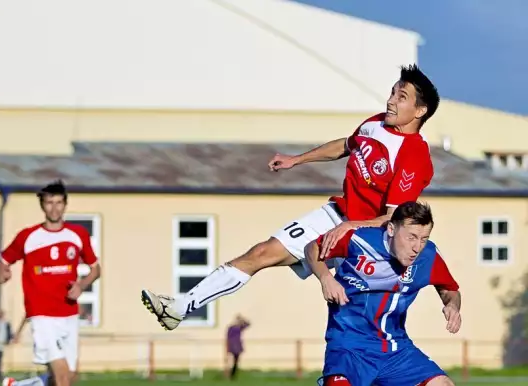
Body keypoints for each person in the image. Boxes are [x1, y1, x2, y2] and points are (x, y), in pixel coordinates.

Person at [141, 64, 441, 331]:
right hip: (337, 213)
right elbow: (345, 145)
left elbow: (392, 218)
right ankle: (179, 307)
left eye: (401, 97)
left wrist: (350, 228)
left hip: (367, 235)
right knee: (261, 252)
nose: (390, 100)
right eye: (392, 93)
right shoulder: (375, 124)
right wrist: (296, 159)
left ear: (419, 110)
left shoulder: (414, 156)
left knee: (355, 316)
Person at [306, 201, 461, 386]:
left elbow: (450, 290)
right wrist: (325, 278)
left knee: (443, 384)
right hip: (349, 347)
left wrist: (452, 305)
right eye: (411, 237)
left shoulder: (429, 255)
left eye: (424, 238)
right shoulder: (359, 240)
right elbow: (312, 247)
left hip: (395, 349)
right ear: (391, 229)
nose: (417, 247)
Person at [0, 180, 101, 386]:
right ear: (42, 205)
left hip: (68, 313)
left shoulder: (77, 234)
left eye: (59, 202)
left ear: (65, 204)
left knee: (67, 377)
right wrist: (3, 272)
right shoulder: (28, 237)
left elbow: (96, 269)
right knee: (62, 376)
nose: (54, 208)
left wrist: (81, 285)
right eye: (49, 203)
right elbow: (4, 260)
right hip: (42, 313)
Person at [225, 315, 250, 380]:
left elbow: (248, 324)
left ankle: (233, 374)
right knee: (230, 360)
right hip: (232, 345)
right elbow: (228, 337)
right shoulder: (231, 328)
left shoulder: (240, 327)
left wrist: (242, 319)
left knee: (236, 361)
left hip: (238, 345)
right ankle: (230, 374)